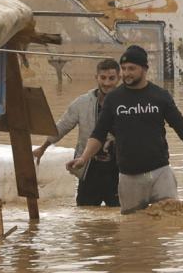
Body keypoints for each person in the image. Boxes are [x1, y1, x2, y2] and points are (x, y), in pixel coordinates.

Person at [67, 45, 183, 214]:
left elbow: (182, 128)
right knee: (133, 230)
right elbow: (98, 135)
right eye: (124, 69)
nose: (126, 73)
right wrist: (84, 158)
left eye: (132, 68)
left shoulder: (160, 96)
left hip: (161, 172)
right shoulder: (114, 99)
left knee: (171, 221)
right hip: (129, 177)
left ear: (144, 69)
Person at [34, 58, 121, 207]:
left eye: (111, 78)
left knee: (121, 216)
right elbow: (62, 127)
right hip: (88, 169)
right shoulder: (82, 103)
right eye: (103, 78)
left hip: (119, 170)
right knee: (85, 216)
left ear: (119, 78)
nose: (107, 83)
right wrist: (43, 147)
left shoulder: (126, 103)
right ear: (96, 78)